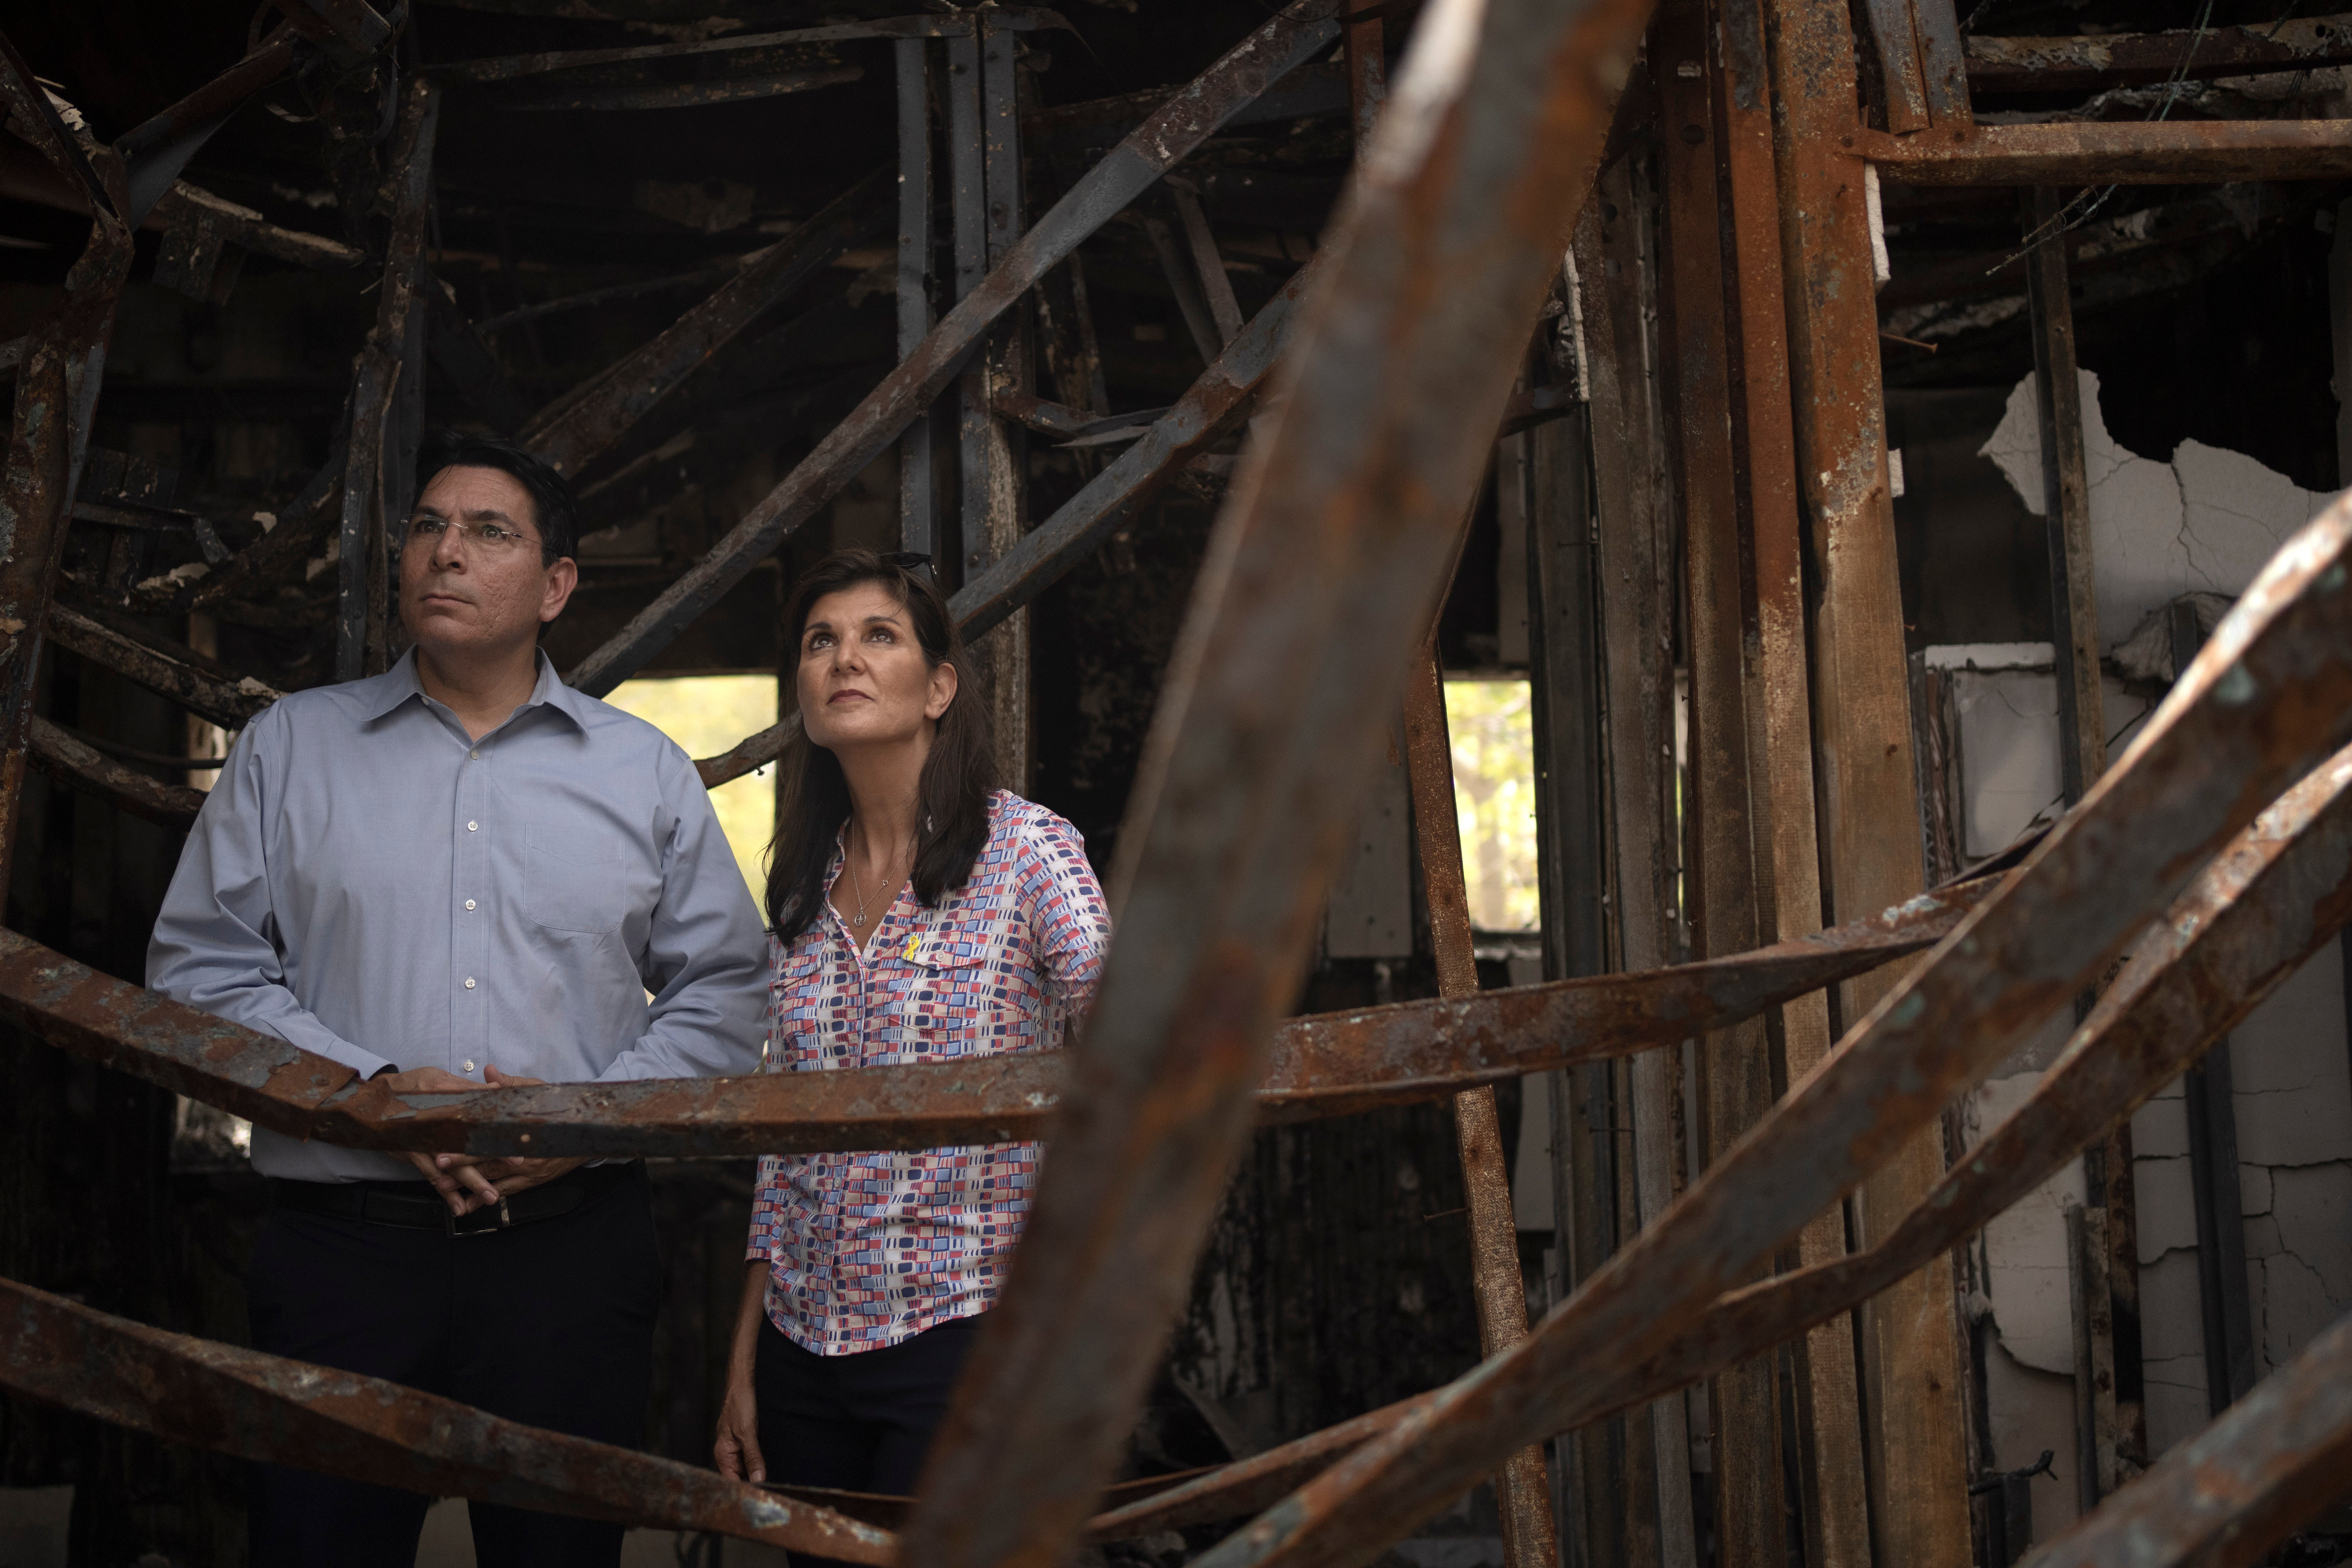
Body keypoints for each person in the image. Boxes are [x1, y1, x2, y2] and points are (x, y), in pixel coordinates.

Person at [147, 429, 768, 1568]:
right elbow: (199, 972)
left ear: (556, 586)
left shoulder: (644, 772)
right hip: (344, 1255)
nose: (446, 552)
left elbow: (728, 995)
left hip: (567, 1261)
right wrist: (374, 1091)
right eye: (429, 526)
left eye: (489, 532)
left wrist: (581, 1122)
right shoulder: (293, 748)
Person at [710, 548, 1110, 1513]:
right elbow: (784, 1148)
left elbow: (1134, 1073)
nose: (844, 659)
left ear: (938, 688)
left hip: (971, 1331)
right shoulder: (802, 892)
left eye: (877, 636)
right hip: (804, 1350)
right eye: (822, 642)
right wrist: (743, 1361)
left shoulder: (1027, 852)